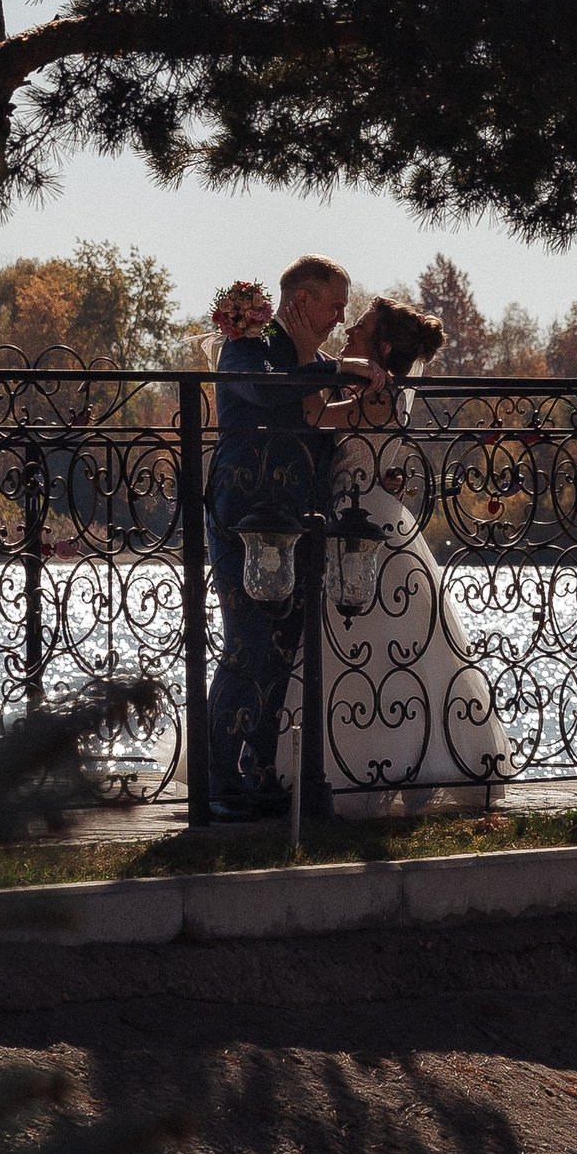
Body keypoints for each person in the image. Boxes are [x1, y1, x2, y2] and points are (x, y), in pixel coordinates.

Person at [304, 299, 516, 801]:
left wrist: (319, 359)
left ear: (380, 347)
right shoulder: (381, 391)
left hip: (362, 525)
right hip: (372, 514)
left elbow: (310, 414)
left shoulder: (377, 395)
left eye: (360, 327)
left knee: (366, 642)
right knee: (378, 647)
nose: (348, 329)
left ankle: (368, 766)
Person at [204, 255, 379, 816]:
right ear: (301, 300)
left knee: (281, 650)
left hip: (298, 519)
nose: (339, 316)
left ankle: (258, 777)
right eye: (333, 305)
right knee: (245, 644)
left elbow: (316, 419)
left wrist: (363, 387)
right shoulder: (246, 346)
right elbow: (272, 393)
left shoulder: (316, 361)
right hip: (245, 515)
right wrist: (327, 368)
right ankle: (217, 781)